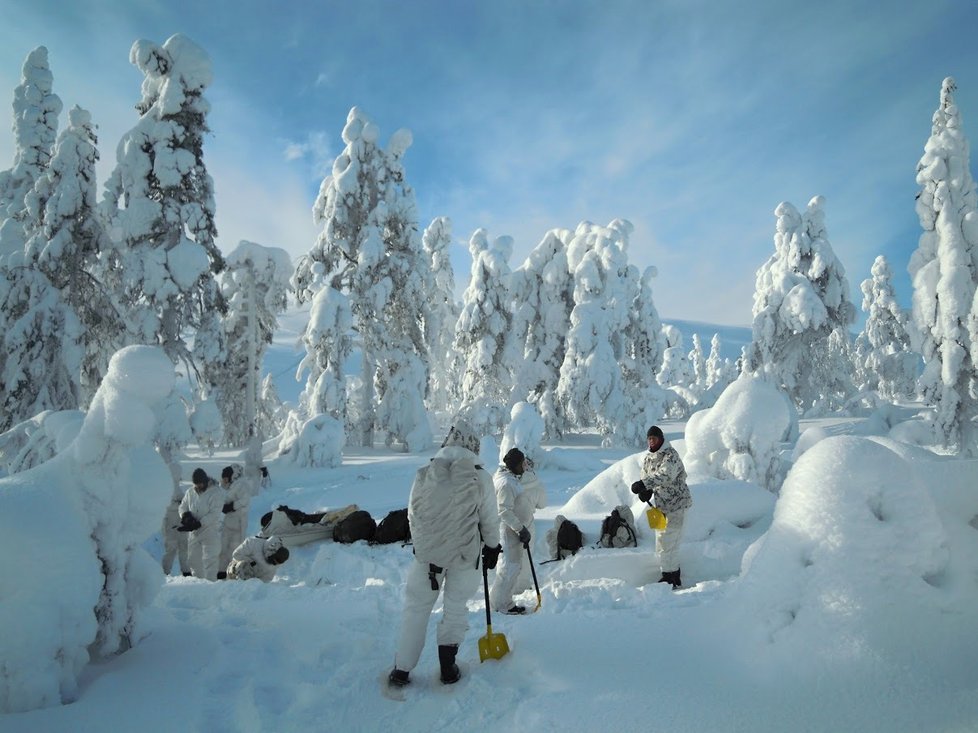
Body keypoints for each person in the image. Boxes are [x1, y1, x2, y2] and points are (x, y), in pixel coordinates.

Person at [388, 419, 501, 688]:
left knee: (416, 610)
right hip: (466, 556)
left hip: (428, 560)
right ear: (472, 446)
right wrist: (493, 547)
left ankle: (401, 671)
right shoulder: (480, 477)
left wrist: (423, 546)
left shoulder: (424, 473)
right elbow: (489, 519)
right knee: (455, 609)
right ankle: (448, 668)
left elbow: (413, 514)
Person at [630, 426, 692, 589]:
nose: (652, 442)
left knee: (669, 543)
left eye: (655, 439)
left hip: (676, 505)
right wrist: (646, 490)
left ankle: (670, 577)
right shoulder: (649, 458)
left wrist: (644, 484)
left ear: (661, 439)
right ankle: (672, 574)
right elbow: (646, 475)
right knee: (662, 543)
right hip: (660, 507)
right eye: (649, 439)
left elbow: (666, 475)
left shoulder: (670, 455)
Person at [489, 447, 547, 614]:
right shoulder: (506, 483)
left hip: (515, 531)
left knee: (512, 568)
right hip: (509, 532)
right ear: (514, 464)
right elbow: (504, 511)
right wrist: (520, 529)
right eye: (522, 463)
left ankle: (502, 602)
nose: (524, 466)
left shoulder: (510, 479)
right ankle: (501, 605)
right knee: (509, 568)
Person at [178, 468, 225, 581]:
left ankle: (211, 585)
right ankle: (198, 584)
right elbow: (183, 506)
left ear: (206, 481)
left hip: (210, 530)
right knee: (193, 560)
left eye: (200, 483)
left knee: (210, 560)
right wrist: (185, 516)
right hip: (194, 532)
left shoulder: (216, 492)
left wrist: (199, 523)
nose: (198, 486)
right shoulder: (190, 492)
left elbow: (214, 513)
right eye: (196, 484)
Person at [217, 464, 252, 580]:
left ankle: (234, 574)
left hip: (238, 524)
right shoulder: (231, 486)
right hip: (228, 523)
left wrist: (232, 506)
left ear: (232, 476)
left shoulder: (242, 485)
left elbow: (245, 501)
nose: (225, 480)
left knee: (234, 550)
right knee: (223, 548)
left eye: (226, 477)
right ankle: (221, 572)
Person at [161, 462, 190, 576]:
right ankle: (165, 572)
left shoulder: (177, 488)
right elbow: (166, 508)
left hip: (180, 525)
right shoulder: (167, 489)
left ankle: (186, 572)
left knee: (184, 550)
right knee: (171, 551)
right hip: (171, 527)